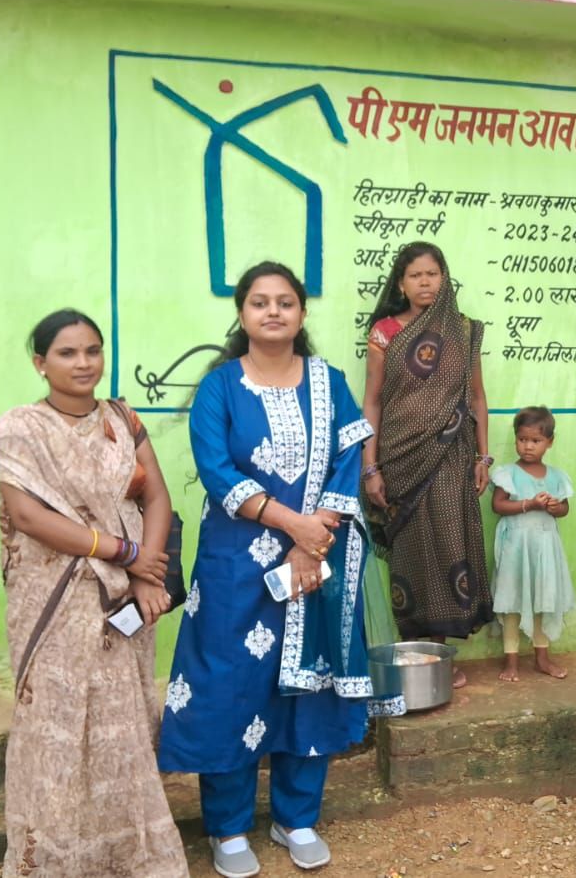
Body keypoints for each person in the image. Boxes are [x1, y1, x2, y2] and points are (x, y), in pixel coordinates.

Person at [159, 262, 395, 878]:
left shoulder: (329, 382)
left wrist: (312, 543)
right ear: (242, 313)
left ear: (301, 313)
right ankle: (229, 827)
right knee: (229, 684)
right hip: (234, 565)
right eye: (260, 302)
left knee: (309, 685)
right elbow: (217, 471)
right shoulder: (219, 388)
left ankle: (297, 818)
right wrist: (295, 527)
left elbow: (348, 459)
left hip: (318, 558)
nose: (273, 311)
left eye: (285, 302)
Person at [0, 308, 185, 877]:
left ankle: (127, 857)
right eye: (67, 353)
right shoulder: (20, 429)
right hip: (54, 600)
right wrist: (125, 554)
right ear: (40, 363)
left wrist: (146, 575)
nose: (83, 363)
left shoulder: (122, 419)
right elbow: (29, 516)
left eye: (92, 350)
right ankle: (53, 861)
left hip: (121, 599)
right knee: (55, 729)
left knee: (121, 725)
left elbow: (156, 497)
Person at [361, 241, 492, 688]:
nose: (424, 282)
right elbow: (373, 401)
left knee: (450, 548)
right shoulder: (385, 333)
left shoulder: (464, 331)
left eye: (432, 274)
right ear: (401, 284)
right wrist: (370, 467)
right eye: (415, 275)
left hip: (451, 457)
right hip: (399, 460)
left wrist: (483, 456)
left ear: (444, 278)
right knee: (411, 556)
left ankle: (440, 656)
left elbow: (477, 397)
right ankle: (413, 654)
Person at [489, 406, 575, 682]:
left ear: (550, 442)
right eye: (522, 439)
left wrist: (554, 507)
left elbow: (565, 509)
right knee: (512, 603)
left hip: (544, 550)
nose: (528, 446)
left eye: (535, 440)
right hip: (516, 549)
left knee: (543, 600)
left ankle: (542, 659)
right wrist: (529, 504)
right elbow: (498, 505)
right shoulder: (508, 473)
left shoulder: (557, 476)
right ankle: (511, 661)